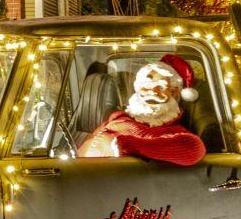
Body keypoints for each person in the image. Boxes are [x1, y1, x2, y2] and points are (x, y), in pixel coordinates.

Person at [76, 54, 206, 167]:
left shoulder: (175, 133)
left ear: (174, 91)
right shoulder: (118, 118)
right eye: (145, 85)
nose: (151, 91)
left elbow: (194, 149)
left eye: (159, 87)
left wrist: (123, 144)